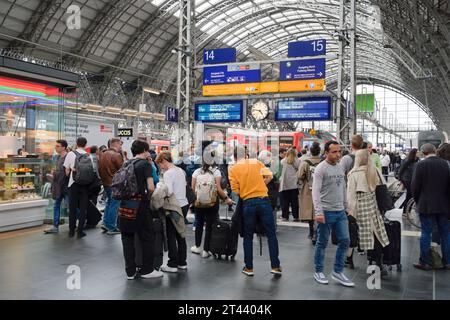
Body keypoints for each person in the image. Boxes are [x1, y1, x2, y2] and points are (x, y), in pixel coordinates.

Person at [229, 145, 282, 277]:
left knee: (248, 236)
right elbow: (270, 176)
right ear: (246, 154)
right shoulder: (256, 162)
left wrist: (247, 190)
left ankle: (249, 267)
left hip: (248, 203)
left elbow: (235, 190)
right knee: (271, 234)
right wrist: (259, 186)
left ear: (235, 156)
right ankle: (275, 266)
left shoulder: (233, 169)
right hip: (264, 200)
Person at [312, 141, 354, 287]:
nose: (338, 155)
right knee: (322, 242)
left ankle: (337, 271)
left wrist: (346, 206)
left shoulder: (340, 167)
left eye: (339, 152)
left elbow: (343, 188)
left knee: (345, 240)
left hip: (340, 211)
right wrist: (318, 212)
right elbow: (315, 191)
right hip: (325, 211)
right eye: (334, 152)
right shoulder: (320, 169)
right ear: (326, 153)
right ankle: (318, 271)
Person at [119, 139, 161, 279]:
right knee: (147, 236)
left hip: (125, 204)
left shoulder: (126, 163)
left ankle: (130, 271)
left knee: (127, 237)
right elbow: (150, 187)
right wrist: (148, 198)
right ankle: (147, 270)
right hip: (140, 205)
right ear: (144, 150)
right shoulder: (145, 165)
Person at [347, 149, 390, 272]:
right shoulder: (374, 171)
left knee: (354, 234)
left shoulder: (353, 174)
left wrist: (350, 211)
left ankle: (349, 259)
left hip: (358, 208)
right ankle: (378, 263)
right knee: (375, 235)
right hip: (372, 207)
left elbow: (350, 196)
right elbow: (383, 186)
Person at [411, 143, 450, 270]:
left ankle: (426, 262)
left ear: (423, 152)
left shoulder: (420, 165)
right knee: (445, 234)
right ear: (435, 151)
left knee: (426, 233)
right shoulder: (445, 164)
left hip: (426, 205)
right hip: (444, 205)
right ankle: (447, 261)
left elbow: (415, 186)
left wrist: (417, 201)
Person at [190, 142, 233, 258]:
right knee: (209, 225)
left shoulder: (196, 172)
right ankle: (206, 250)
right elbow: (219, 189)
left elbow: (192, 189)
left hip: (199, 203)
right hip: (212, 203)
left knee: (199, 223)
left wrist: (192, 203)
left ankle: (197, 247)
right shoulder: (216, 172)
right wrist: (226, 199)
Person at [155, 151, 188, 272]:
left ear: (163, 160)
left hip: (174, 206)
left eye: (160, 164)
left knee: (171, 234)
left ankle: (172, 264)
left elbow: (168, 192)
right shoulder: (180, 171)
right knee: (181, 233)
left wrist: (160, 185)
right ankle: (182, 262)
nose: (160, 167)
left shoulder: (168, 173)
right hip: (184, 204)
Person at [64, 137, 96, 239]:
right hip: (85, 185)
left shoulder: (70, 154)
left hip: (73, 184)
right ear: (85, 145)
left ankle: (71, 231)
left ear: (76, 144)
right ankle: (80, 232)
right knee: (83, 209)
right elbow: (93, 172)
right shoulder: (90, 156)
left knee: (72, 208)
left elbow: (67, 172)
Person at [298, 141, 322, 244]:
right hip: (321, 190)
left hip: (308, 189)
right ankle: (318, 232)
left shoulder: (305, 163)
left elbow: (299, 176)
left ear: (310, 151)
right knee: (319, 210)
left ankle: (311, 232)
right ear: (319, 151)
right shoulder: (323, 162)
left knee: (310, 211)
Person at [99, 138, 124, 235]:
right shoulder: (116, 155)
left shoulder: (103, 154)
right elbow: (123, 170)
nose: (121, 146)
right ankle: (111, 226)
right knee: (114, 205)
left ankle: (105, 222)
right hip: (115, 183)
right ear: (116, 144)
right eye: (120, 144)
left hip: (106, 183)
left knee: (109, 203)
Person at [44, 140, 69, 234]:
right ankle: (55, 226)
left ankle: (83, 218)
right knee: (56, 205)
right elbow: (58, 170)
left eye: (58, 146)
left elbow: (68, 172)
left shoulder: (68, 157)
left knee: (70, 206)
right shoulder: (58, 157)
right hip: (58, 186)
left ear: (63, 147)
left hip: (66, 187)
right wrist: (53, 173)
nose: (56, 147)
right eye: (56, 146)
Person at [279, 148, 301, 222]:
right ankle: (296, 216)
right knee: (294, 202)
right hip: (294, 184)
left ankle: (285, 216)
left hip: (284, 185)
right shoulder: (297, 161)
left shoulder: (282, 161)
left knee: (285, 202)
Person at [398, 148, 419, 212]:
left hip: (412, 179)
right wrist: (400, 179)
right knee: (410, 194)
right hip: (407, 179)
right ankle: (406, 210)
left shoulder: (416, 160)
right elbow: (401, 170)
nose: (419, 153)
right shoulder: (407, 160)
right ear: (414, 153)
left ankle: (407, 210)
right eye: (417, 152)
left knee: (410, 195)